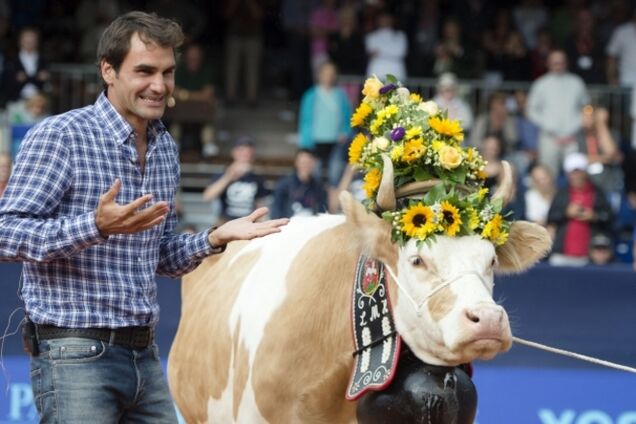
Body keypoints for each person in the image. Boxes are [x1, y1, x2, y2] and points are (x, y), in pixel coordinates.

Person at [0, 12, 288, 423]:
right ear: (108, 70)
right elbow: (6, 234)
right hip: (73, 355)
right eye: (145, 71)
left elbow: (161, 254)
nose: (160, 85)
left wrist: (214, 239)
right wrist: (95, 226)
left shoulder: (164, 148)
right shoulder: (61, 135)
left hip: (145, 356)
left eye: (167, 72)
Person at [527, 49, 589, 178]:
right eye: (555, 63)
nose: (558, 66)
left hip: (572, 138)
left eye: (561, 63)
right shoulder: (540, 84)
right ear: (548, 64)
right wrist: (547, 125)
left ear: (566, 63)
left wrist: (577, 125)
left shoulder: (577, 82)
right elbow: (531, 110)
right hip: (549, 138)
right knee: (548, 175)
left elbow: (586, 107)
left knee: (576, 176)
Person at [298, 61, 351, 208]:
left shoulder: (340, 95)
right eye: (325, 73)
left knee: (335, 173)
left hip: (335, 141)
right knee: (314, 172)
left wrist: (345, 132)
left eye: (331, 73)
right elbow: (305, 119)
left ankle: (332, 206)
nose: (328, 76)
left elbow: (348, 117)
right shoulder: (311, 94)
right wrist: (305, 142)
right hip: (316, 141)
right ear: (319, 75)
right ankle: (315, 203)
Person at [547, 152, 613, 267]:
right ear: (568, 174)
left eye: (579, 171)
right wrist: (566, 213)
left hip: (588, 256)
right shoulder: (561, 194)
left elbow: (609, 217)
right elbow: (551, 217)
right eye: (573, 172)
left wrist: (594, 216)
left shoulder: (597, 192)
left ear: (585, 172)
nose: (576, 175)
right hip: (562, 255)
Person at [202, 136, 269, 223]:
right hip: (226, 221)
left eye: (248, 152)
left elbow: (260, 204)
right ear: (234, 153)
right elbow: (207, 197)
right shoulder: (222, 174)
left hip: (248, 222)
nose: (245, 154)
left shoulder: (257, 178)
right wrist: (228, 177)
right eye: (241, 151)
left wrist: (264, 223)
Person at [270, 149, 327, 219]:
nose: (306, 166)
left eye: (309, 162)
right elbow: (276, 210)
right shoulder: (284, 184)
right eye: (303, 162)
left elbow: (322, 211)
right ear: (296, 163)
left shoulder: (318, 187)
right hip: (290, 225)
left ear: (313, 163)